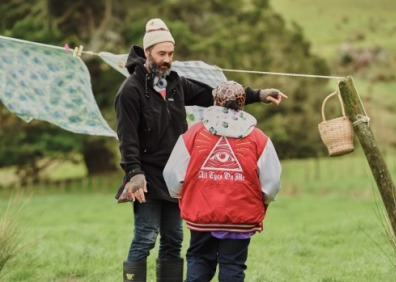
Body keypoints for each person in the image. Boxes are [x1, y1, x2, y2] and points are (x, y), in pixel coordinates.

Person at [115, 18, 286, 282]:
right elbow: (126, 137)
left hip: (177, 176)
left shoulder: (175, 84)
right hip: (145, 176)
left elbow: (214, 95)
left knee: (174, 240)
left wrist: (258, 94)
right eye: (161, 54)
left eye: (170, 54)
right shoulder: (130, 91)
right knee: (145, 237)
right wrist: (134, 172)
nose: (167, 59)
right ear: (147, 53)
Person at [163, 80, 282, 282]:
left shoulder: (194, 133)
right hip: (240, 217)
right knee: (233, 266)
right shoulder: (259, 139)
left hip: (202, 215)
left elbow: (173, 174)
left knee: (199, 260)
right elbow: (271, 183)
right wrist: (263, 200)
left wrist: (182, 194)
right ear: (242, 103)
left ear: (215, 101)